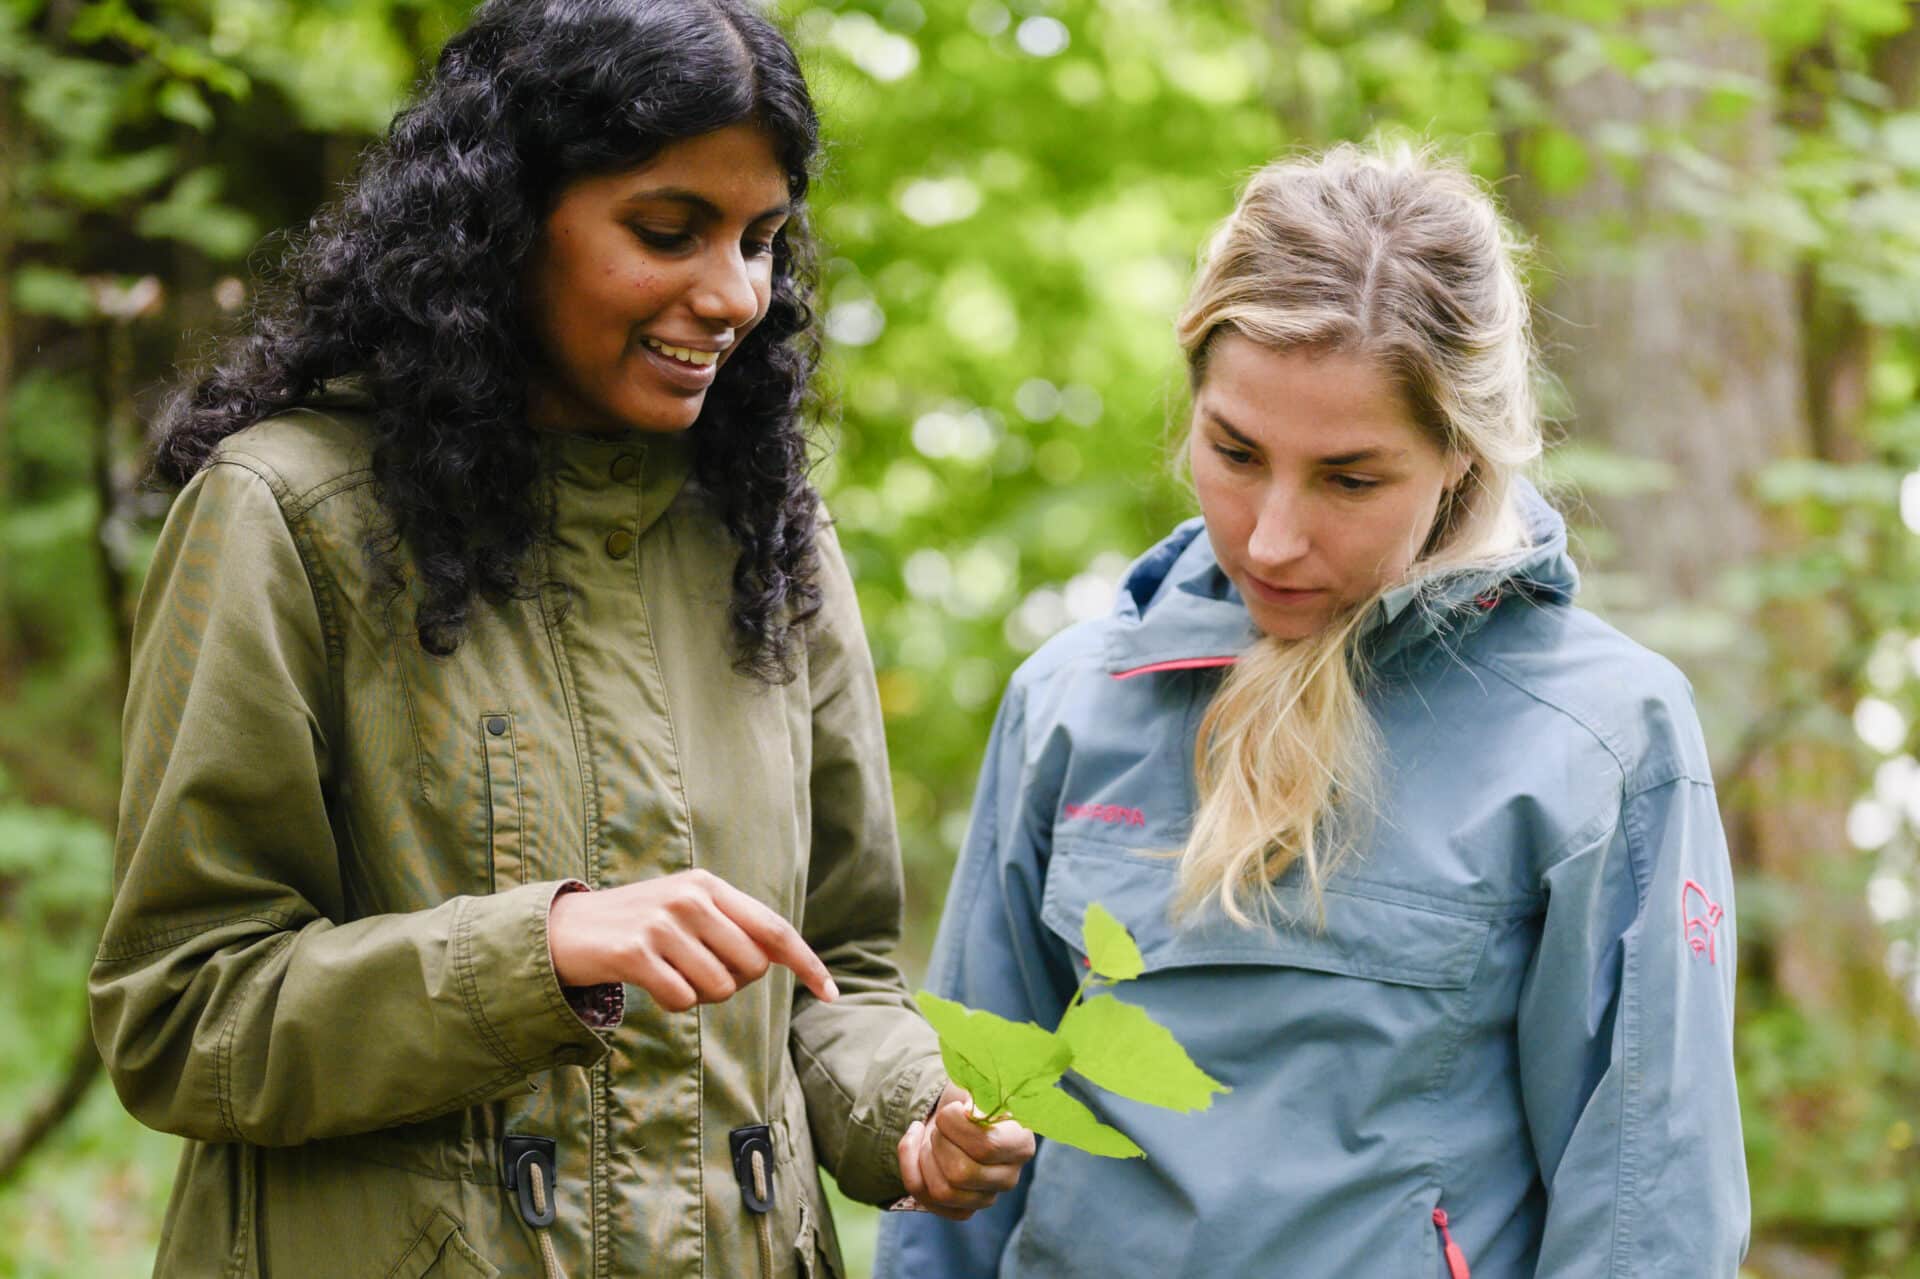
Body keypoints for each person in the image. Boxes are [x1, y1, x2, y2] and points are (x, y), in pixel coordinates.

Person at [88, 2, 1032, 1275]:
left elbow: (839, 973)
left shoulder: (769, 536)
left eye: (761, 240)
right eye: (668, 231)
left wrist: (914, 1108)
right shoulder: (285, 514)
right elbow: (180, 1010)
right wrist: (537, 950)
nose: (735, 294)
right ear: (503, 221)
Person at [876, 142, 1749, 1278]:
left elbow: (1648, 1218)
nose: (1273, 536)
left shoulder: (1603, 740)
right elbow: (958, 1167)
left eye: (1348, 478)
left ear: (1460, 459)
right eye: (1235, 452)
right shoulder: (1069, 702)